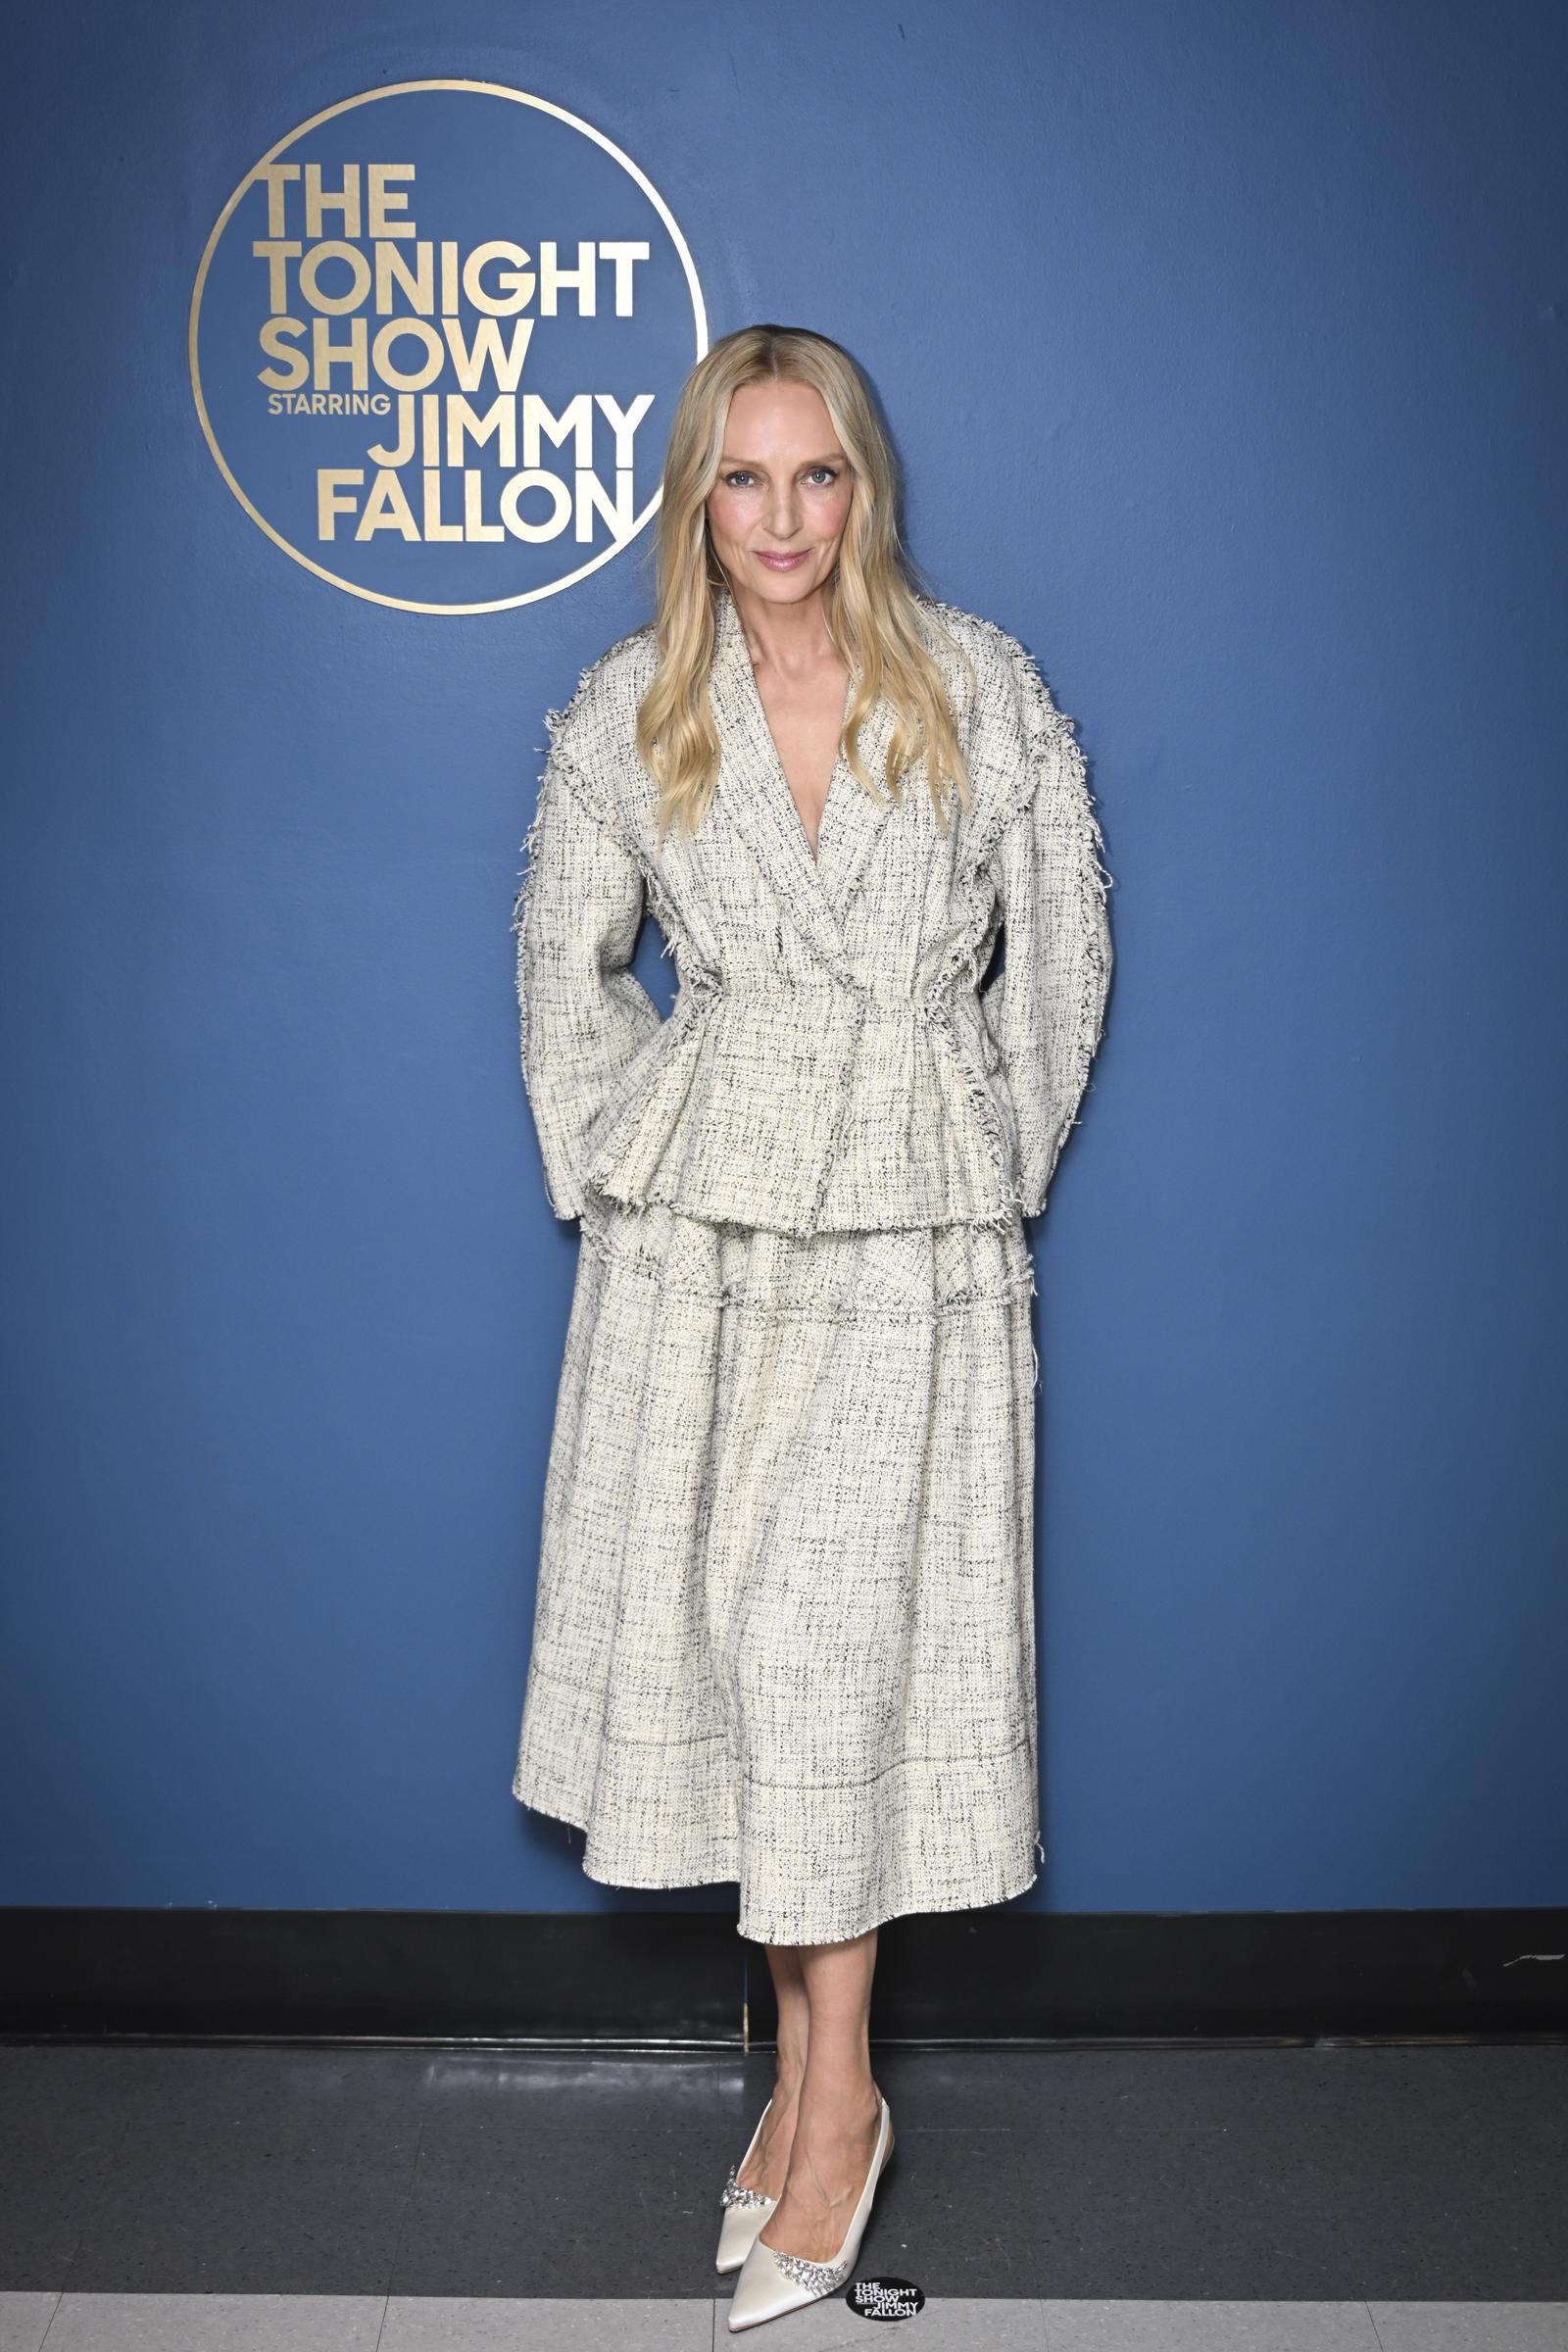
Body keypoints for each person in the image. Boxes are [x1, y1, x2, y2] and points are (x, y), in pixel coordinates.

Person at [508, 323, 1114, 2329]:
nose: (781, 520)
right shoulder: (630, 705)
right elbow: (559, 962)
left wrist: (975, 1159)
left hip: (904, 1236)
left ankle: (835, 2104)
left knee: (833, 1640)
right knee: (738, 1651)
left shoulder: (976, 687)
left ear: (863, 487)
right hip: (701, 1240)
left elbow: (1061, 950)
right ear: (698, 497)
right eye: (743, 480)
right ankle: (795, 2084)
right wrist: (622, 1159)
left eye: (817, 475)